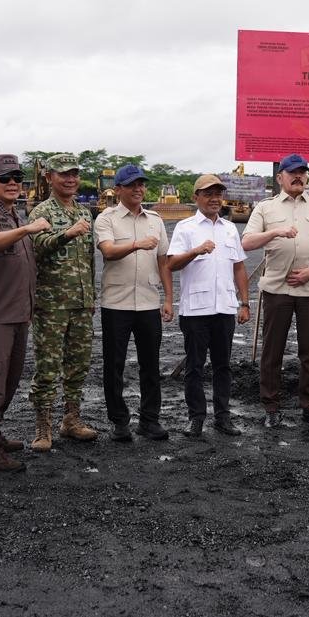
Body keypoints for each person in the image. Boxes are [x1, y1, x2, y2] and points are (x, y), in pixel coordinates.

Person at [241, 154, 309, 430]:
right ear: (280, 176)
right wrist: (275, 233)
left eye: (302, 172)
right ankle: (271, 408)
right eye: (292, 172)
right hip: (276, 289)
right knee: (272, 351)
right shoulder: (265, 208)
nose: (298, 177)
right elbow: (247, 242)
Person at [0, 154, 49, 472]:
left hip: (18, 314)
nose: (14, 183)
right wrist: (28, 228)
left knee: (11, 379)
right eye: (5, 178)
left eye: (18, 177)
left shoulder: (14, 214)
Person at [167, 174, 250, 437]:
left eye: (218, 194)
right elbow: (172, 264)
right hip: (195, 311)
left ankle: (223, 417)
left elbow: (238, 267)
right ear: (196, 197)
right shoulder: (185, 228)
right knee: (194, 366)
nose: (215, 199)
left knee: (223, 366)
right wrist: (195, 251)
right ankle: (196, 418)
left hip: (224, 308)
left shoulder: (229, 228)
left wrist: (245, 303)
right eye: (208, 194)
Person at [94, 163, 172, 442]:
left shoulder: (156, 220)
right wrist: (137, 244)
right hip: (116, 303)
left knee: (150, 364)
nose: (138, 189)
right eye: (131, 185)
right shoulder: (106, 219)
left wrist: (168, 299)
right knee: (113, 364)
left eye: (141, 184)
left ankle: (149, 420)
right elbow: (109, 251)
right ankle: (119, 421)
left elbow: (164, 261)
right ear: (118, 190)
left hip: (149, 302)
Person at [28, 153, 99, 451]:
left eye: (73, 174)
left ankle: (71, 419)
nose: (70, 179)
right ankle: (43, 427)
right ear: (49, 178)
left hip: (81, 303)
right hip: (51, 303)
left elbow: (89, 260)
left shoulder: (85, 212)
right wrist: (67, 234)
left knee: (78, 364)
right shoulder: (41, 213)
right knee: (47, 365)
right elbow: (38, 247)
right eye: (63, 174)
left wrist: (92, 295)